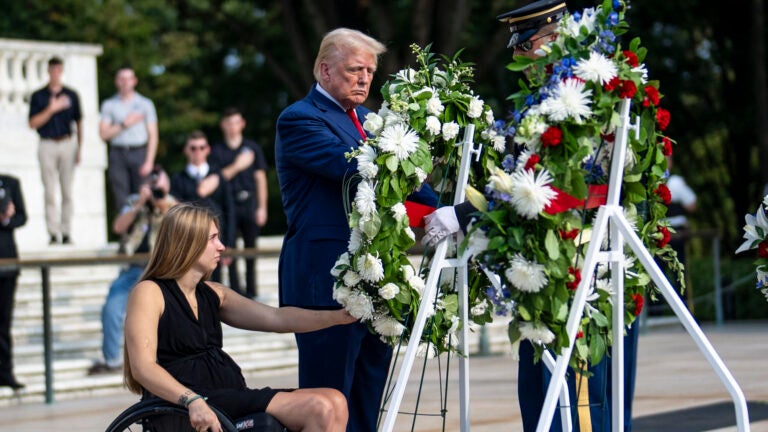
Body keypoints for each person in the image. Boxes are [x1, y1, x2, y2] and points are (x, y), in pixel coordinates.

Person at [423, 1, 638, 431]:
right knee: (540, 398)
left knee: (577, 403)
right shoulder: (540, 105)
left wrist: (464, 213)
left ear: (552, 43)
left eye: (531, 47)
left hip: (579, 268)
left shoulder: (584, 102)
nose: (523, 61)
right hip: (546, 267)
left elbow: (550, 182)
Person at [123, 203, 353, 432]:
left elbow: (276, 318)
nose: (221, 246)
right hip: (184, 406)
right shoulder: (150, 292)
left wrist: (338, 316)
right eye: (212, 238)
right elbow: (143, 367)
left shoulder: (213, 293)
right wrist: (191, 400)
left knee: (337, 401)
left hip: (227, 397)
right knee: (320, 408)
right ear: (187, 241)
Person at [274, 28, 393, 432]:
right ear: (325, 70)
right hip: (325, 281)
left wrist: (451, 207)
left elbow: (404, 181)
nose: (364, 79)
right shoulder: (299, 119)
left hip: (372, 278)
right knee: (328, 401)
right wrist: (410, 152)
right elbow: (352, 166)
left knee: (367, 394)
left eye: (370, 72)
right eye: (354, 69)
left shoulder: (367, 123)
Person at [89, 167, 177, 375]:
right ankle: (112, 360)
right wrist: (140, 204)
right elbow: (118, 227)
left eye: (159, 184)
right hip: (133, 269)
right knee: (112, 307)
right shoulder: (134, 201)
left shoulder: (173, 203)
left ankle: (164, 359)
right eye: (152, 184)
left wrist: (161, 203)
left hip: (161, 269)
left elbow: (179, 227)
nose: (155, 189)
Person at [208, 107, 268, 298]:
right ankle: (235, 292)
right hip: (228, 207)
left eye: (235, 122)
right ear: (222, 125)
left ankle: (251, 291)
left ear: (242, 124)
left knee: (251, 250)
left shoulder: (252, 148)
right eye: (228, 123)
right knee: (229, 249)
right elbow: (217, 178)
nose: (232, 127)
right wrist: (238, 165)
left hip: (249, 203)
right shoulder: (217, 151)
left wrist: (262, 207)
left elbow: (260, 179)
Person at [28, 56, 82, 245]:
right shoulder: (39, 96)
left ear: (62, 70)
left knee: (67, 190)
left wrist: (80, 148)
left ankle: (66, 231)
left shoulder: (71, 95)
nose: (55, 73)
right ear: (49, 71)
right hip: (47, 143)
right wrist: (51, 109)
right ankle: (53, 232)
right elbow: (33, 123)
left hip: (67, 142)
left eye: (58, 69)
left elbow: (79, 121)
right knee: (49, 190)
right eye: (53, 70)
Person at [171, 130, 236, 283]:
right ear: (186, 150)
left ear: (208, 149)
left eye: (201, 147)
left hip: (218, 239)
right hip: (191, 242)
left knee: (220, 284)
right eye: (193, 148)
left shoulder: (218, 175)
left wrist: (230, 243)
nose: (198, 152)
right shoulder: (178, 179)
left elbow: (229, 209)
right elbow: (178, 213)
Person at [99, 65, 159, 212]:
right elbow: (103, 134)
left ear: (134, 81)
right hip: (118, 154)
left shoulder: (145, 104)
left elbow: (153, 135)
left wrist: (149, 161)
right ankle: (125, 233)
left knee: (143, 196)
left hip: (139, 152)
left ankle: (143, 233)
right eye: (121, 79)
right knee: (122, 199)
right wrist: (124, 124)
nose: (125, 82)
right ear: (116, 81)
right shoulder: (109, 105)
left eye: (128, 78)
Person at [0, 174, 27, 389]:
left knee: (4, 321)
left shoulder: (10, 183)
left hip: (7, 264)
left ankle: (6, 371)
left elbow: (22, 217)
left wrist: (6, 218)